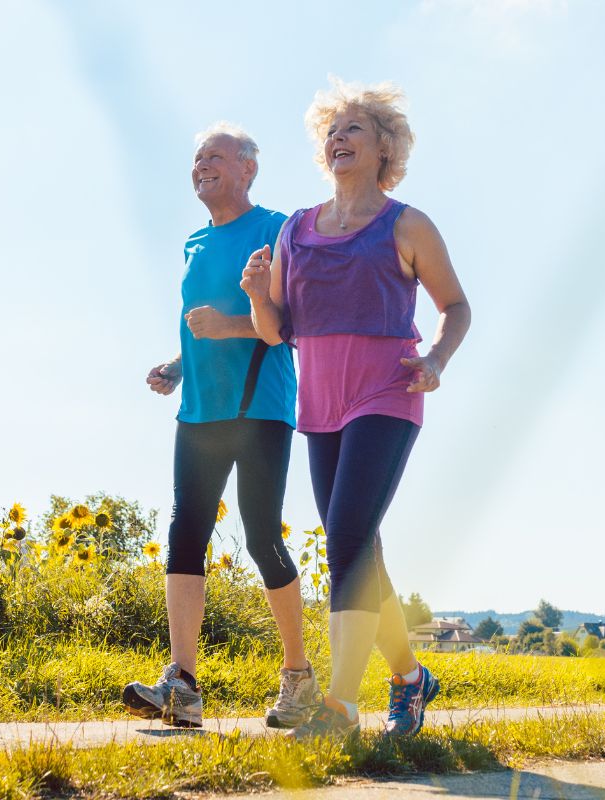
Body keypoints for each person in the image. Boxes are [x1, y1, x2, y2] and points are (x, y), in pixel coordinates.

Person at [241, 80, 471, 739]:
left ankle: (340, 706)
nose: (338, 140)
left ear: (384, 148)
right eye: (331, 132)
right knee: (359, 549)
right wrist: (258, 295)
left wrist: (435, 361)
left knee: (344, 538)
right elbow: (274, 329)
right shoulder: (297, 230)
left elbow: (457, 306)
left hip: (387, 392)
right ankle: (409, 676)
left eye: (354, 131)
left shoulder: (407, 224)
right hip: (320, 401)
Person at [124, 123, 319, 729]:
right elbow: (197, 325)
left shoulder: (277, 229)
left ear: (248, 169)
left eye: (216, 156)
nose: (202, 165)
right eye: (197, 158)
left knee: (262, 538)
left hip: (260, 403)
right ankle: (182, 685)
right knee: (186, 534)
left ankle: (299, 680)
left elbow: (289, 323)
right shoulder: (193, 242)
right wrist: (180, 365)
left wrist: (229, 326)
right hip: (201, 408)